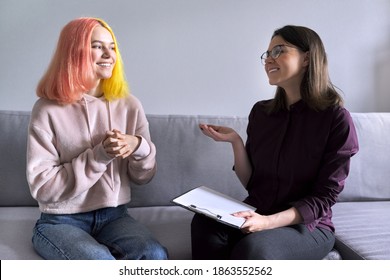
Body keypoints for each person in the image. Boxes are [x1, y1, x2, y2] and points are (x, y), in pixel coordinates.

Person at [191, 25, 359, 260]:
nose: (269, 59)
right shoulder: (261, 113)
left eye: (278, 50)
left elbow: (324, 197)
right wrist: (236, 142)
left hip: (307, 227)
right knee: (204, 222)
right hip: (259, 211)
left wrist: (267, 222)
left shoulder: (336, 119)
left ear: (307, 58)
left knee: (254, 249)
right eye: (267, 54)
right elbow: (253, 184)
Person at [26, 17, 168, 260]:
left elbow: (143, 177)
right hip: (61, 221)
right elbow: (42, 186)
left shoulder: (129, 105)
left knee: (154, 255)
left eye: (112, 47)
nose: (108, 54)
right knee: (99, 262)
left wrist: (139, 147)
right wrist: (99, 155)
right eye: (97, 46)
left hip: (114, 215)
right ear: (74, 51)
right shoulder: (47, 109)